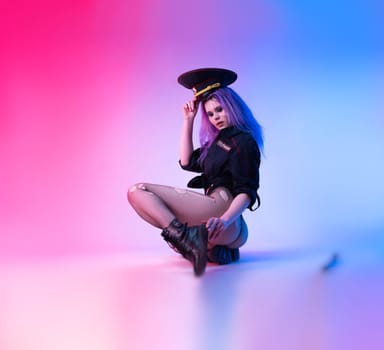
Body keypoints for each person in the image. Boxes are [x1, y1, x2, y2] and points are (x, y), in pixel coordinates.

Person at [127, 68, 263, 276]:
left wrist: (225, 219)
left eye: (219, 110)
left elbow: (247, 191)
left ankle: (192, 241)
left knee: (138, 191)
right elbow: (187, 161)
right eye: (210, 114)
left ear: (232, 107)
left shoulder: (242, 141)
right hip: (226, 229)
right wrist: (188, 120)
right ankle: (215, 250)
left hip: (224, 214)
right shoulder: (216, 143)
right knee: (174, 235)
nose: (215, 117)